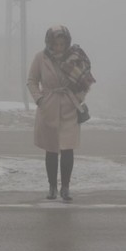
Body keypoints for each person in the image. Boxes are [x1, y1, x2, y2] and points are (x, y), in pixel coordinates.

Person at [27, 25, 95, 202]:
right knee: (51, 149)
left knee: (67, 148)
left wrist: (78, 98)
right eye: (55, 44)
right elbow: (32, 81)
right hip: (48, 107)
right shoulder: (40, 58)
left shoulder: (75, 57)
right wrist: (40, 100)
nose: (59, 47)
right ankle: (52, 187)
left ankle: (65, 188)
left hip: (69, 107)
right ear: (49, 42)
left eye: (62, 44)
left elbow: (85, 81)